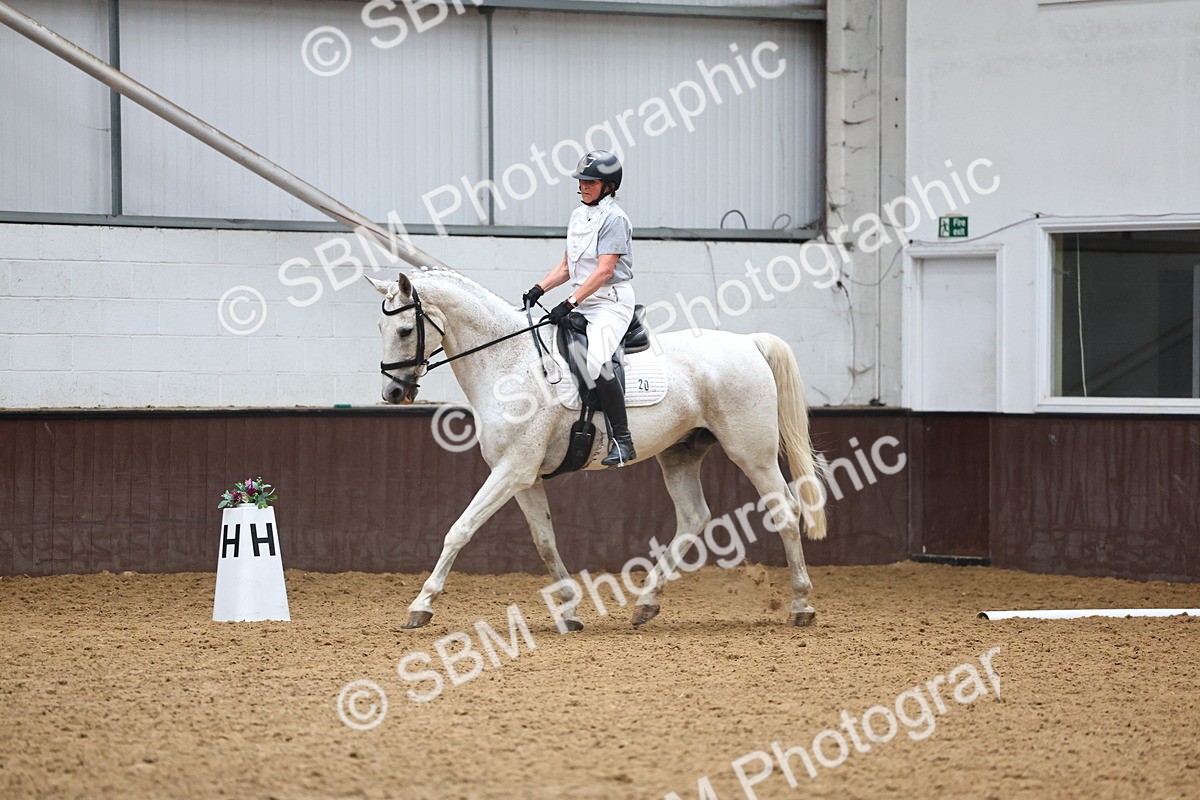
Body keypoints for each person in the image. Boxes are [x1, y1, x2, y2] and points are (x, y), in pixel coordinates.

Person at [522, 149, 637, 467]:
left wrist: (569, 302)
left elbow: (603, 271)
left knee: (597, 361)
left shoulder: (615, 219)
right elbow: (567, 266)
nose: (583, 185)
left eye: (591, 181)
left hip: (610, 303)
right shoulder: (578, 216)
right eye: (581, 180)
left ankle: (623, 440)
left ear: (609, 185)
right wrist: (539, 288)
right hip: (584, 299)